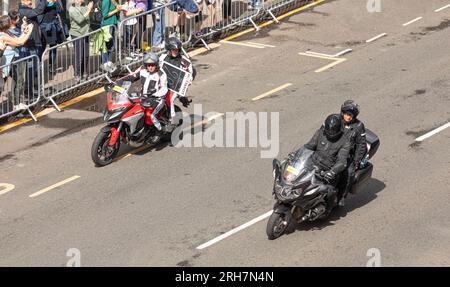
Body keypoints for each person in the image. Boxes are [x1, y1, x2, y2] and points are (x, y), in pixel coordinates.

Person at [302, 114, 351, 211]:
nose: (330, 134)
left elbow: (342, 161)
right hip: (312, 165)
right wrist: (296, 155)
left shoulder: (345, 142)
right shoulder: (321, 133)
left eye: (333, 132)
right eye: (328, 131)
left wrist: (332, 172)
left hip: (327, 172)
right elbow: (309, 146)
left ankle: (326, 210)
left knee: (328, 191)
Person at [0, 15, 33, 111]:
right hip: (6, 63)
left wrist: (24, 31)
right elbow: (20, 43)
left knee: (18, 80)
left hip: (12, 60)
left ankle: (17, 103)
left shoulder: (7, 32)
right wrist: (30, 31)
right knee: (2, 85)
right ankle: (16, 104)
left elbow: (18, 39)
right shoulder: (3, 36)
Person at [338, 100, 367, 206]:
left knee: (349, 173)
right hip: (332, 150)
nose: (349, 117)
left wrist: (356, 161)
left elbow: (361, 145)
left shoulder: (358, 126)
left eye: (351, 115)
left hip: (347, 155)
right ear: (342, 113)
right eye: (347, 114)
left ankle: (342, 196)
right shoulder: (336, 120)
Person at [159, 37, 194, 117]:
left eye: (177, 50)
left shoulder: (185, 61)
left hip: (175, 87)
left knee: (169, 100)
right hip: (162, 84)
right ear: (169, 49)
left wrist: (187, 82)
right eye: (174, 50)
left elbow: (189, 76)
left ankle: (172, 119)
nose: (176, 51)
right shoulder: (162, 57)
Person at [137, 52, 168, 142]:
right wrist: (117, 81)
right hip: (143, 97)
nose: (150, 67)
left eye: (152, 65)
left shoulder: (161, 74)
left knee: (150, 115)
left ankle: (159, 131)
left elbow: (164, 89)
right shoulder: (142, 70)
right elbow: (131, 76)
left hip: (157, 99)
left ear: (156, 64)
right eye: (148, 65)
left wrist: (154, 94)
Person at [68, 0, 93, 82]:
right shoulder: (72, 9)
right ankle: (77, 74)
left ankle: (84, 72)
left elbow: (88, 17)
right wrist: (88, 10)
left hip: (85, 33)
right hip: (77, 34)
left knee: (86, 54)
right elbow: (79, 20)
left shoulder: (84, 6)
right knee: (79, 55)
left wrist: (92, 10)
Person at [39, 0, 66, 75]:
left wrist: (56, 2)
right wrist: (47, 2)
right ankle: (38, 65)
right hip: (44, 27)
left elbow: (60, 10)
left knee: (53, 47)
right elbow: (39, 10)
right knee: (42, 47)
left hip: (53, 26)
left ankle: (51, 66)